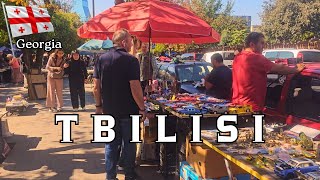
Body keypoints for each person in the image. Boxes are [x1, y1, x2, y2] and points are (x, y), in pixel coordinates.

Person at [93, 29, 146, 180]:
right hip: (129, 110)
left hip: (109, 109)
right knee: (129, 144)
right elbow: (135, 87)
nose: (131, 44)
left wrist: (98, 106)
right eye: (130, 41)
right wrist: (142, 108)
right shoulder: (131, 60)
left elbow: (96, 87)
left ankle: (111, 176)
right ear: (123, 42)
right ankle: (129, 174)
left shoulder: (101, 59)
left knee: (110, 144)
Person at [232, 32, 305, 113]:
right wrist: (296, 69)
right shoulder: (255, 57)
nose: (264, 46)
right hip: (251, 108)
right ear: (252, 44)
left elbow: (253, 73)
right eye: (262, 43)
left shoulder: (238, 57)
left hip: (237, 105)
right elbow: (279, 69)